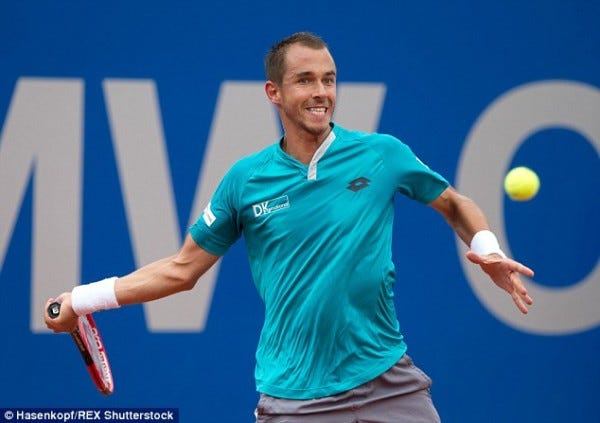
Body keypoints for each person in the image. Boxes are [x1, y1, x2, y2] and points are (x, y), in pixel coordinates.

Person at [45, 32, 534, 422]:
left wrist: (487, 248)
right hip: (296, 399)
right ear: (274, 92)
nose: (321, 93)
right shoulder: (245, 180)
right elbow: (181, 270)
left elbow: (454, 203)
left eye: (329, 79)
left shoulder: (382, 154)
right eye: (305, 80)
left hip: (389, 380)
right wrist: (82, 299)